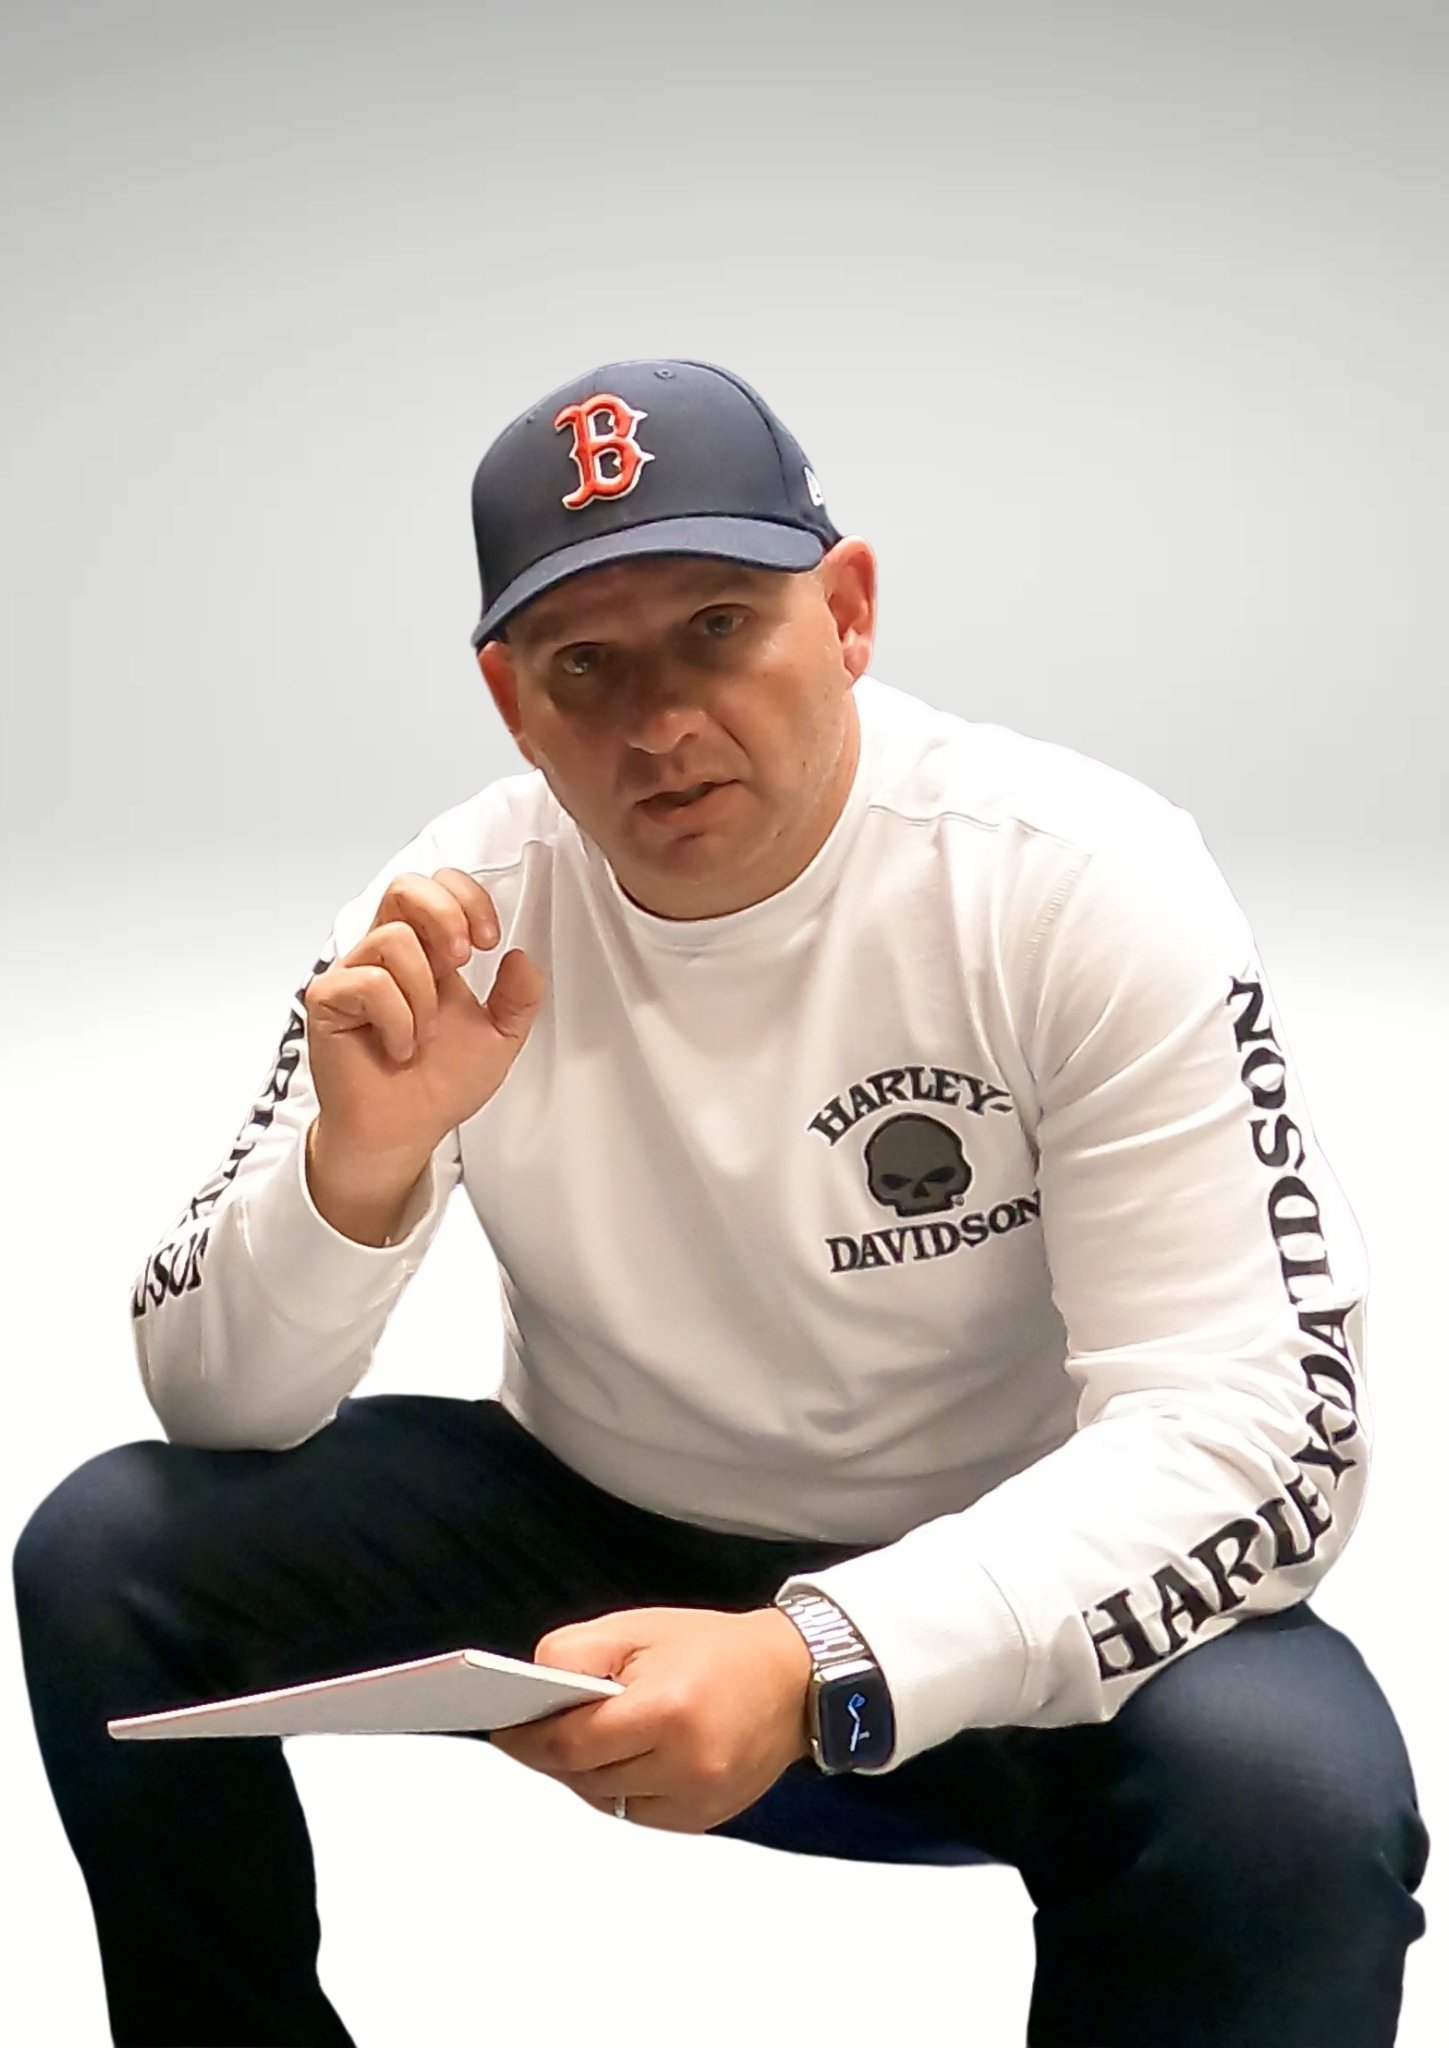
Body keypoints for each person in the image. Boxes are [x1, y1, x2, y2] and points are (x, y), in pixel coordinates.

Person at [13, 356, 1430, 2047]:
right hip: (600, 1540)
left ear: (845, 611)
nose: (658, 722)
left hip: (993, 1565)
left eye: (716, 630)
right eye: (584, 665)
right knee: (111, 1554)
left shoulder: (1076, 880)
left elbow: (1271, 1437)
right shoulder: (458, 916)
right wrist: (357, 1172)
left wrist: (812, 1653)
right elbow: (213, 1399)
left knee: (1290, 1809)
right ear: (509, 700)